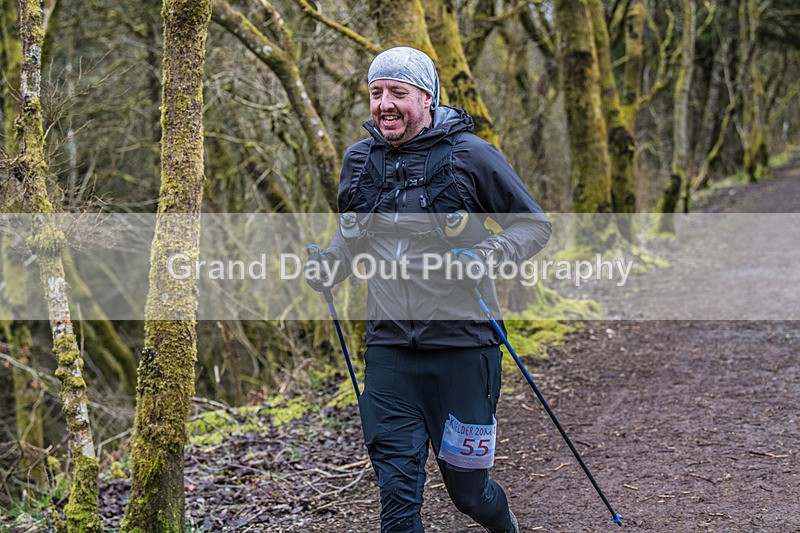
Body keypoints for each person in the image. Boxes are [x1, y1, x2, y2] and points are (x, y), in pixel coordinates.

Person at [305, 46, 551, 532]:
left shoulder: (472, 156)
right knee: (397, 504)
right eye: (376, 93)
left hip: (465, 348)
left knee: (469, 494)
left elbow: (533, 226)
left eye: (398, 92)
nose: (384, 103)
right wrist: (329, 267)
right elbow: (351, 239)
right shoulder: (358, 162)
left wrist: (486, 255)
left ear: (427, 98)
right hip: (390, 351)